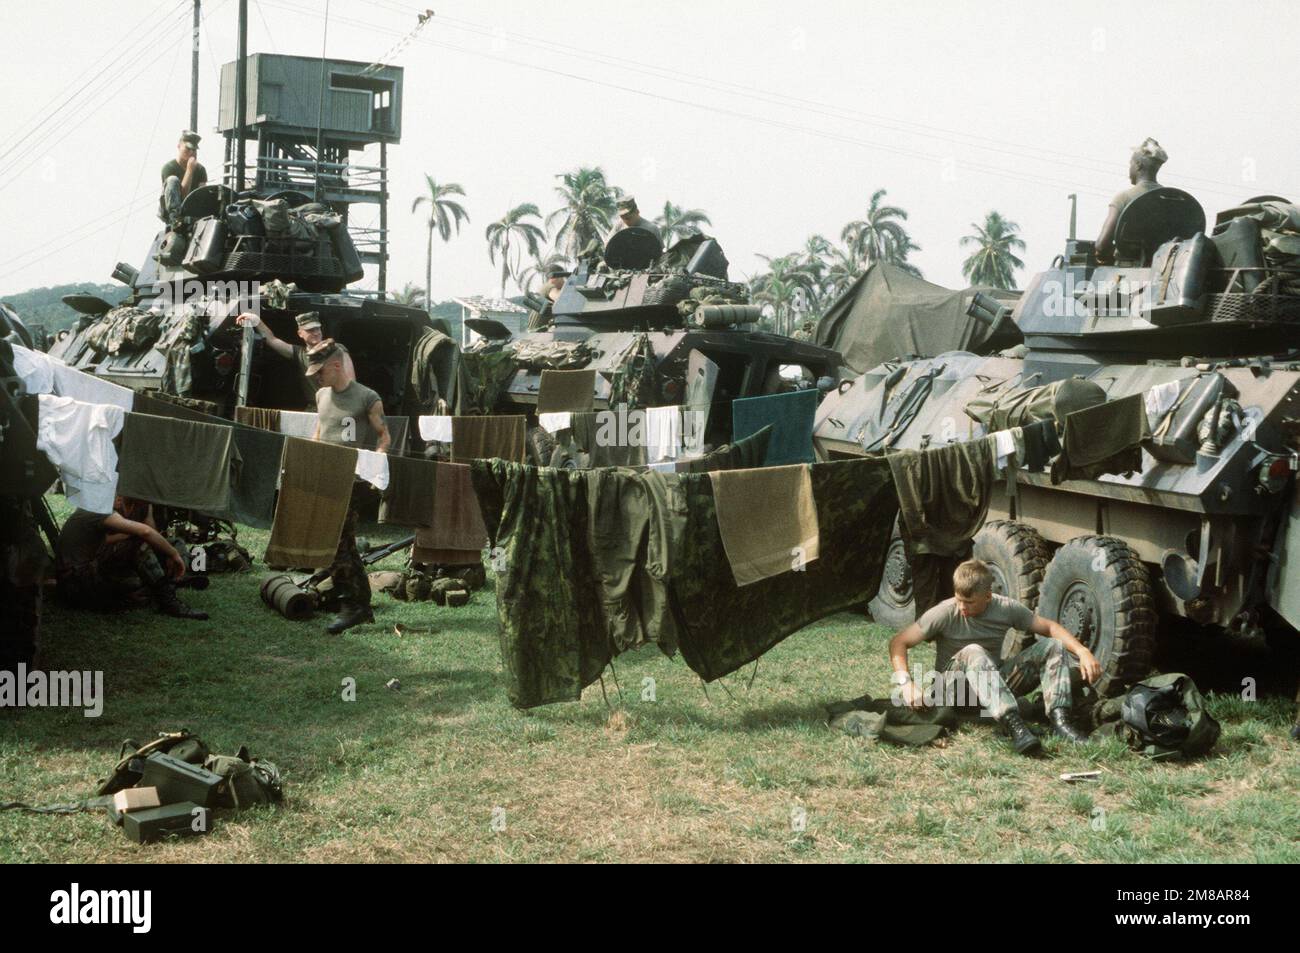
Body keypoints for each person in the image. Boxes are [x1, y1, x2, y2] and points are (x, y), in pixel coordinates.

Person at [888, 558, 1101, 754]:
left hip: (991, 688)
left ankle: (1060, 721)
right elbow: (899, 642)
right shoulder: (944, 612)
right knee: (974, 651)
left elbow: (1050, 628)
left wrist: (1082, 651)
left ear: (988, 596)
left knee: (1053, 645)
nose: (962, 607)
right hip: (953, 693)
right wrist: (906, 684)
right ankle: (1015, 727)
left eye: (969, 602)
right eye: (959, 599)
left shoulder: (1006, 608)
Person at [305, 339, 390, 634]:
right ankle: (355, 603)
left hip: (352, 480)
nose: (316, 376)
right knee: (339, 543)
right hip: (324, 476)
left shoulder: (367, 397)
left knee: (338, 542)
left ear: (337, 365)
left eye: (320, 370)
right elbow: (319, 430)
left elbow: (383, 437)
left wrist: (376, 465)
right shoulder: (321, 396)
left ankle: (353, 607)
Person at [55, 496, 207, 620]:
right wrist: (173, 554)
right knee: (137, 547)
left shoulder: (97, 505)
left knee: (136, 585)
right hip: (77, 583)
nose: (119, 498)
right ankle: (167, 599)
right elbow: (145, 532)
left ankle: (165, 584)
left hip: (81, 578)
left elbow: (149, 531)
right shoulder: (97, 508)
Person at [1095, 137, 1168, 264]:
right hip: (1162, 268)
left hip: (1127, 272)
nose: (1129, 169)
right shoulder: (1170, 198)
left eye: (1131, 164)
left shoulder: (1124, 198)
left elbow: (1101, 245)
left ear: (1138, 165)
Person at [236, 311, 325, 407]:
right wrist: (257, 320)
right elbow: (272, 339)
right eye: (310, 330)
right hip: (316, 407)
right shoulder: (300, 353)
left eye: (317, 329)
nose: (316, 333)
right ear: (300, 333)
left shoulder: (337, 350)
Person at [159, 130, 208, 224]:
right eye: (188, 148)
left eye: (194, 150)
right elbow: (182, 196)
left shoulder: (200, 169)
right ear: (179, 146)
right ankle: (176, 219)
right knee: (173, 180)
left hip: (191, 212)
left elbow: (202, 196)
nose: (191, 152)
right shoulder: (169, 168)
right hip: (171, 212)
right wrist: (190, 170)